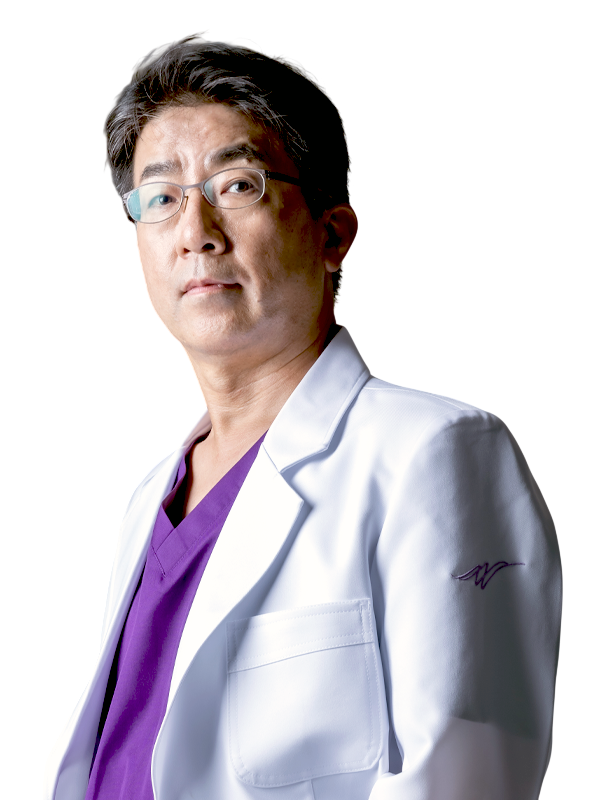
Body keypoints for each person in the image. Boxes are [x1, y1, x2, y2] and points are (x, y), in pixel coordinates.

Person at [42, 34, 563, 800]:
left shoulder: (436, 454)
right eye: (160, 199)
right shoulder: (147, 502)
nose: (195, 231)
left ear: (333, 237)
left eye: (238, 185)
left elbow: (471, 778)